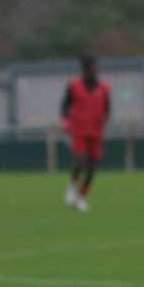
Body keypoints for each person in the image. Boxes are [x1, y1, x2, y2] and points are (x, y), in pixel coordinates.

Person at [60, 55, 111, 212]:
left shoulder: (104, 88)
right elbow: (64, 106)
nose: (96, 70)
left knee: (92, 168)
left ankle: (82, 197)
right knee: (80, 161)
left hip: (96, 132)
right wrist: (65, 122)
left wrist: (104, 120)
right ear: (85, 69)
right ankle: (72, 186)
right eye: (93, 67)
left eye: (96, 67)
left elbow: (108, 108)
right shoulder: (73, 86)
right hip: (79, 130)